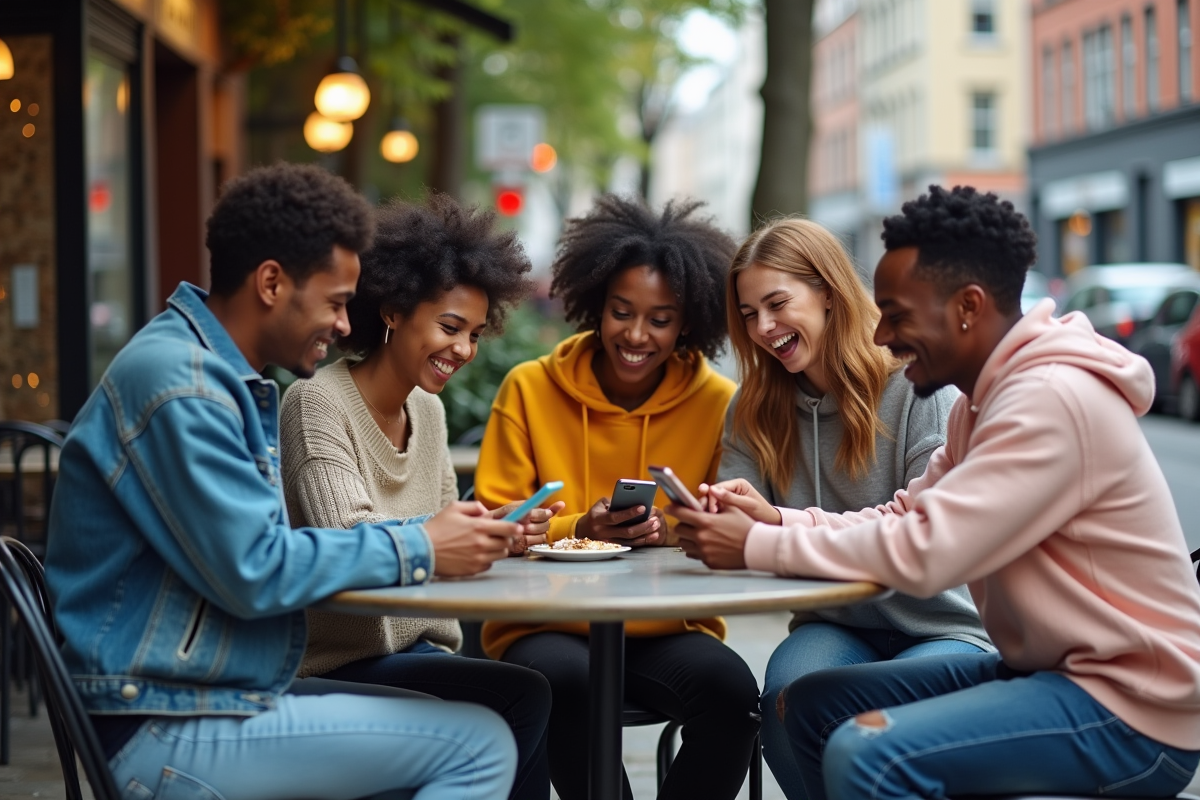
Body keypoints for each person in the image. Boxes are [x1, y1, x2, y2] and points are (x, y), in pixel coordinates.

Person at [671, 185, 1200, 800]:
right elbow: (905, 515)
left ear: (967, 307)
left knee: (868, 754)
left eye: (897, 314)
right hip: (1051, 673)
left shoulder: (1048, 401)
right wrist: (779, 525)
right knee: (807, 705)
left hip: (1132, 707)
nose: (881, 335)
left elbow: (927, 553)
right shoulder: (979, 406)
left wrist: (757, 545)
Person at [44, 163, 524, 800]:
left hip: (210, 695)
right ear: (271, 283)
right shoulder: (184, 388)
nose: (346, 325)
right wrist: (421, 546)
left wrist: (440, 537)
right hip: (162, 723)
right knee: (480, 745)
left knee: (487, 710)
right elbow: (256, 568)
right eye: (335, 302)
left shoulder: (211, 375)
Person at [473, 195, 761, 800]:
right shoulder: (529, 389)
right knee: (566, 686)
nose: (635, 335)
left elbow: (726, 524)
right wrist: (582, 528)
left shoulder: (719, 403)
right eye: (621, 312)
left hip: (666, 626)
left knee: (733, 695)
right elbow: (497, 525)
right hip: (546, 625)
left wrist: (670, 530)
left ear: (688, 323)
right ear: (596, 305)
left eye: (660, 319)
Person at [279, 194, 557, 800]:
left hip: (422, 649)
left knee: (527, 691)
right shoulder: (316, 402)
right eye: (450, 328)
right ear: (394, 310)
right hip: (336, 664)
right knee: (523, 693)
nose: (464, 350)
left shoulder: (427, 411)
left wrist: (497, 537)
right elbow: (346, 539)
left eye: (474, 335)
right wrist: (446, 535)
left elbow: (442, 534)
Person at [717, 217, 990, 799]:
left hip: (944, 625)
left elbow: (925, 531)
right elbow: (737, 522)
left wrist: (776, 525)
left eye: (777, 304)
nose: (763, 327)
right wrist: (720, 513)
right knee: (786, 698)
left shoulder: (918, 386)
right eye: (748, 313)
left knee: (866, 722)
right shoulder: (754, 406)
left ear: (828, 293)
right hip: (834, 625)